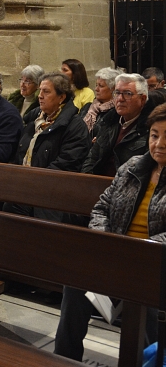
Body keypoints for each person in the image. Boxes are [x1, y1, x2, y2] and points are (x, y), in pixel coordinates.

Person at [53, 102, 166, 361]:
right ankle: (64, 358)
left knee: (149, 297)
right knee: (76, 282)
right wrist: (107, 239)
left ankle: (148, 361)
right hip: (116, 253)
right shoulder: (132, 167)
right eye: (154, 135)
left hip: (156, 264)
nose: (159, 143)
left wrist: (141, 249)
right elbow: (102, 207)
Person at [3, 73, 91, 221]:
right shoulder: (35, 121)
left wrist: (30, 182)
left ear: (62, 97)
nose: (40, 96)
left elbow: (66, 165)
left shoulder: (74, 126)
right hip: (23, 185)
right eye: (40, 90)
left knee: (11, 207)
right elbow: (18, 153)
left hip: (52, 192)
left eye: (46, 91)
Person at [81, 73, 154, 176]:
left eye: (127, 94)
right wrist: (87, 179)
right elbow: (92, 157)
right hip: (97, 184)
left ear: (142, 99)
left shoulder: (150, 128)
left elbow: (144, 172)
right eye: (117, 93)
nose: (120, 99)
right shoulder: (108, 121)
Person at [79, 67, 119, 136]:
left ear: (113, 89)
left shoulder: (116, 112)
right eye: (96, 85)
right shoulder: (87, 106)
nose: (96, 89)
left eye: (101, 86)